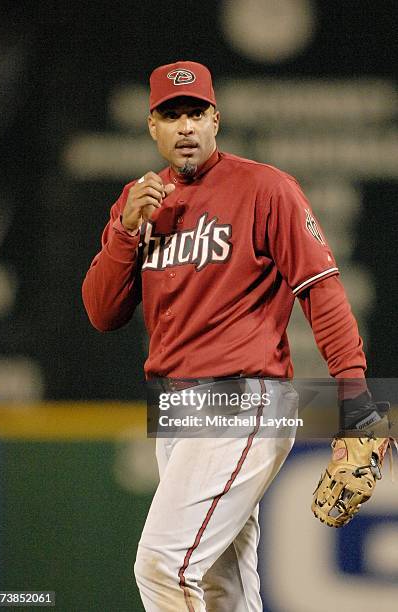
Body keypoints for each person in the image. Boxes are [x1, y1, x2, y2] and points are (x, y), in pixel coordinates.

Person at [82, 61, 368, 611]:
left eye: (196, 113)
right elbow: (102, 312)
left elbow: (322, 293)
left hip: (244, 400)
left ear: (216, 120)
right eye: (172, 114)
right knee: (220, 588)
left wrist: (358, 409)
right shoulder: (138, 201)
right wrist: (124, 233)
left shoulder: (265, 189)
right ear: (153, 127)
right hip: (175, 409)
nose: (185, 126)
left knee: (163, 565)